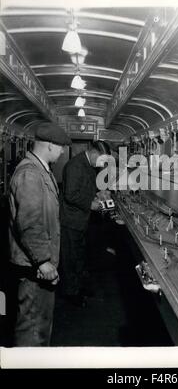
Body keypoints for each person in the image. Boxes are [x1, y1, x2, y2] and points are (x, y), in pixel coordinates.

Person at [8, 122, 71, 346]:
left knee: (41, 327)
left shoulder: (41, 170)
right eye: (61, 146)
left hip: (39, 263)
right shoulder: (30, 174)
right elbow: (30, 224)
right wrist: (44, 262)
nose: (63, 151)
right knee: (32, 330)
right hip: (34, 266)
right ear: (50, 145)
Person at [59, 141, 111, 307]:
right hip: (71, 221)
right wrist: (91, 203)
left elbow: (86, 187)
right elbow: (70, 195)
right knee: (70, 259)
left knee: (79, 257)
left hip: (81, 220)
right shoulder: (75, 165)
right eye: (102, 159)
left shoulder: (88, 164)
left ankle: (78, 287)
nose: (102, 164)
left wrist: (99, 193)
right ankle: (71, 293)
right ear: (93, 152)